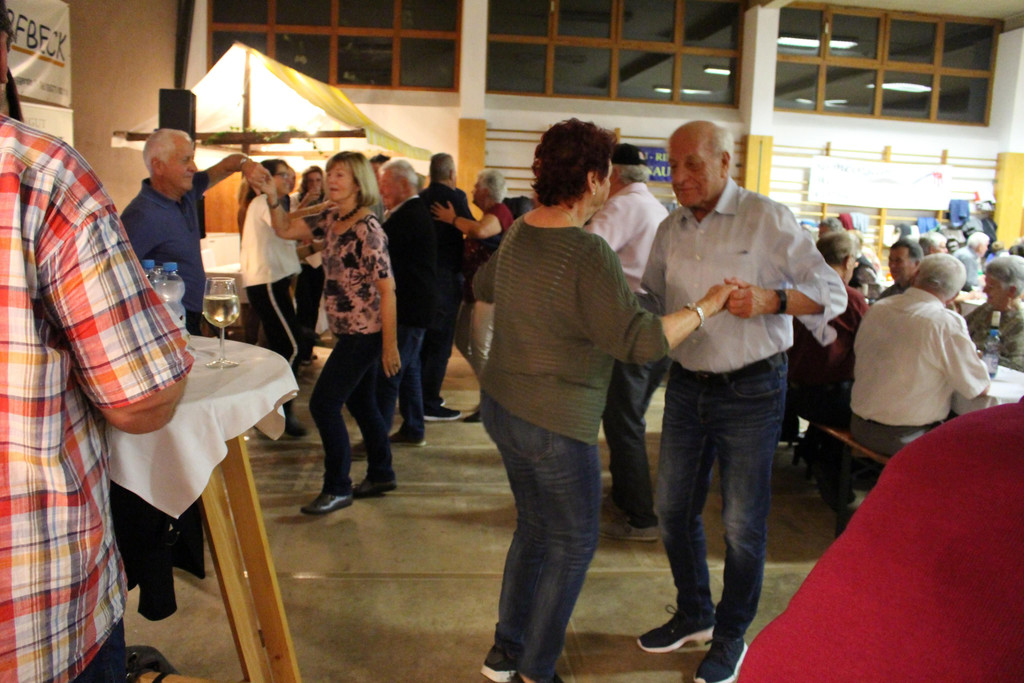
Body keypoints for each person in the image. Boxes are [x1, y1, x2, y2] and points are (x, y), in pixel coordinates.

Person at [474, 118, 736, 683]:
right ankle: (536, 669)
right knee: (572, 542)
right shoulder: (586, 250)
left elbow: (485, 286)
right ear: (593, 178)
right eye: (605, 176)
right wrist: (707, 306)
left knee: (535, 528)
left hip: (502, 405)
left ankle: (507, 651)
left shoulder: (520, 232)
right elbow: (640, 342)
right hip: (553, 421)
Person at [638, 120, 847, 683]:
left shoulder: (767, 217)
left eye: (692, 164)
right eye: (672, 164)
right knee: (672, 509)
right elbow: (652, 297)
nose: (678, 176)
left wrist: (772, 299)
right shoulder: (671, 227)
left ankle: (731, 634)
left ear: (725, 163)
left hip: (752, 389)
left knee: (741, 524)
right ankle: (695, 613)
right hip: (687, 385)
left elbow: (830, 292)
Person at [0, 91, 191, 683]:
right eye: (186, 160)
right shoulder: (41, 175)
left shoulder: (177, 204)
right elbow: (140, 398)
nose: (195, 169)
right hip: (35, 614)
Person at [300, 152, 401, 515]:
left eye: (340, 174)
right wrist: (270, 196)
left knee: (323, 404)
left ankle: (338, 487)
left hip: (365, 332)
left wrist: (389, 346)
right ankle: (382, 472)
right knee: (361, 403)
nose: (332, 179)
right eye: (330, 172)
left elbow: (388, 290)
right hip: (347, 331)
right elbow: (286, 230)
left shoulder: (367, 229)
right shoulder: (333, 218)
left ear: (359, 182)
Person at [581, 142, 670, 542]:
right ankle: (624, 496)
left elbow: (585, 252)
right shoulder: (655, 206)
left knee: (623, 420)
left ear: (613, 175)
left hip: (632, 320)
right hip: (656, 320)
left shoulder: (622, 206)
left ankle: (641, 516)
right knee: (625, 417)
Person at [122, 128, 271, 335]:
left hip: (193, 317)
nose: (194, 167)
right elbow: (115, 276)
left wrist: (246, 164)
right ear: (158, 166)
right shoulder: (141, 215)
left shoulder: (187, 192)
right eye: (185, 160)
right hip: (166, 324)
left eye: (192, 159)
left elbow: (228, 164)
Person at [850, 254, 990, 456]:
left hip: (859, 425)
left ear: (915, 276)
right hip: (905, 436)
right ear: (954, 296)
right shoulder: (944, 322)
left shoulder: (880, 307)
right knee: (974, 445)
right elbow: (978, 387)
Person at [787, 231, 869, 508]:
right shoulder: (851, 299)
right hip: (829, 399)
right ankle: (833, 466)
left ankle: (813, 448)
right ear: (847, 261)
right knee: (872, 410)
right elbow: (870, 344)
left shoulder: (796, 292)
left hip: (793, 393)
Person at [240, 158, 317, 437]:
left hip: (275, 283)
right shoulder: (264, 203)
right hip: (268, 283)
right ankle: (279, 413)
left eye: (290, 175)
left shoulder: (276, 206)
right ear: (266, 179)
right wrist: (324, 218)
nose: (289, 179)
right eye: (282, 175)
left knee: (281, 348)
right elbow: (284, 228)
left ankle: (272, 412)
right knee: (292, 347)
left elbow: (286, 244)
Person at [431, 168, 514, 422]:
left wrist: (452, 219)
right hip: (474, 292)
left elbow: (480, 232)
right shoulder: (488, 214)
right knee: (464, 341)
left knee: (480, 348)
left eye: (476, 186)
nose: (472, 190)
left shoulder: (499, 211)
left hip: (490, 292)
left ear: (486, 191)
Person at [376, 159, 438, 447]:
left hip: (409, 308)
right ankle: (414, 428)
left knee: (388, 373)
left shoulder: (408, 215)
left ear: (403, 184)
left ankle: (377, 440)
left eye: (385, 185)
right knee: (409, 370)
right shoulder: (410, 212)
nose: (381, 191)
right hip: (415, 307)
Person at [418, 152, 475, 421]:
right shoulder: (455, 197)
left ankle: (417, 397)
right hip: (446, 278)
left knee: (423, 342)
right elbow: (473, 228)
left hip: (422, 277)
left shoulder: (420, 198)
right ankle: (429, 402)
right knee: (440, 345)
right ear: (452, 173)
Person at [964, 254, 1024, 371]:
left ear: (1012, 291)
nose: (985, 290)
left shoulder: (1019, 323)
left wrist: (980, 356)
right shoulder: (987, 308)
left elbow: (1017, 366)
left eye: (991, 286)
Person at [292, 165, 327, 360]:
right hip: (301, 260)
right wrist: (306, 201)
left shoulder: (326, 203)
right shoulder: (295, 200)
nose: (314, 184)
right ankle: (299, 349)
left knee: (314, 306)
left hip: (319, 259)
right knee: (303, 305)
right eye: (310, 180)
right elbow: (288, 223)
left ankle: (308, 349)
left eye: (318, 180)